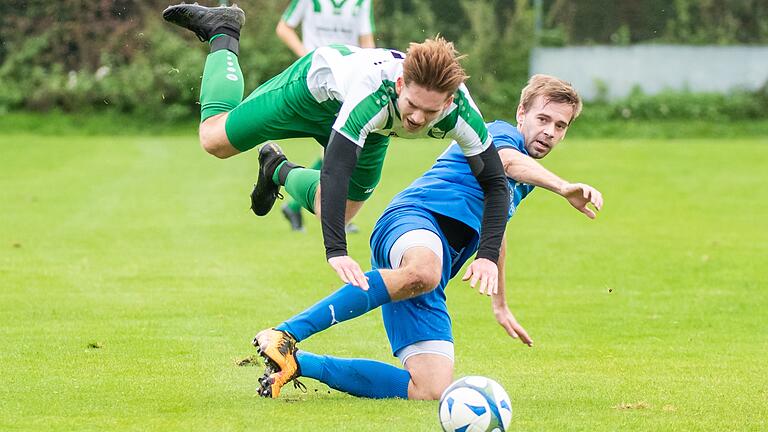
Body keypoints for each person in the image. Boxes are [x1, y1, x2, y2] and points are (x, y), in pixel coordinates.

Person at [251, 74, 604, 400]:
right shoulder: (498, 133)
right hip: (413, 219)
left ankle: (298, 363)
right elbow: (506, 162)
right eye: (543, 119)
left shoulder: (527, 179)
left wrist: (500, 303)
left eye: (560, 126)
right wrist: (562, 186)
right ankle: (284, 333)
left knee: (431, 387)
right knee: (424, 270)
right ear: (522, 112)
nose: (550, 132)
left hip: (433, 267)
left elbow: (495, 230)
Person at [162, 4, 509, 291]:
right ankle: (224, 30)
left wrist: (488, 255)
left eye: (430, 112)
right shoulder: (373, 94)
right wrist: (336, 251)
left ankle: (277, 170)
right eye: (412, 105)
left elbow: (495, 183)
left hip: (373, 131)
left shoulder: (463, 114)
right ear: (400, 83)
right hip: (308, 93)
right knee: (214, 140)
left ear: (448, 102)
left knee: (338, 211)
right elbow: (336, 169)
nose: (417, 119)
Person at [275, 0, 377, 232]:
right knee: (340, 148)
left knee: (339, 149)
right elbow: (284, 27)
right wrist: (308, 57)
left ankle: (303, 207)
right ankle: (335, 213)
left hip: (350, 83)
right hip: (317, 80)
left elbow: (366, 39)